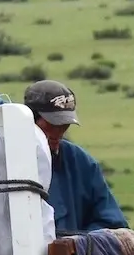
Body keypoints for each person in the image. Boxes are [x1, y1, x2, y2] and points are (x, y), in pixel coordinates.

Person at [24, 78, 127, 234]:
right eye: (51, 125)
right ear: (29, 120)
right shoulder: (3, 161)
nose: (57, 133)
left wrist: (77, 245)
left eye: (64, 126)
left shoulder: (81, 162)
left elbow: (113, 225)